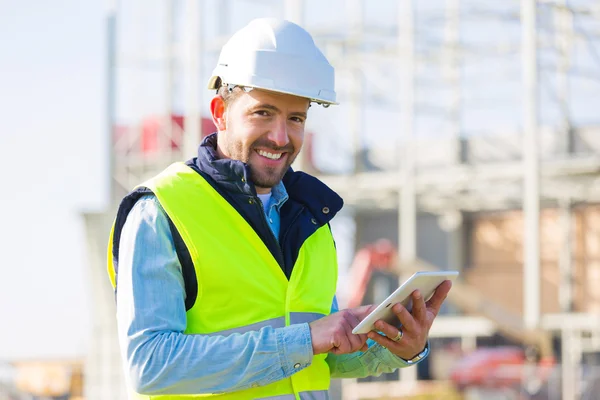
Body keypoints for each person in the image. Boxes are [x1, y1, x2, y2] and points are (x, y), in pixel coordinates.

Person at [107, 18, 452, 400]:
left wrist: (398, 346)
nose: (280, 137)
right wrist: (304, 341)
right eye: (263, 113)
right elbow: (150, 365)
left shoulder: (311, 219)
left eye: (296, 118)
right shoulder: (162, 211)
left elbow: (325, 356)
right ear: (220, 111)